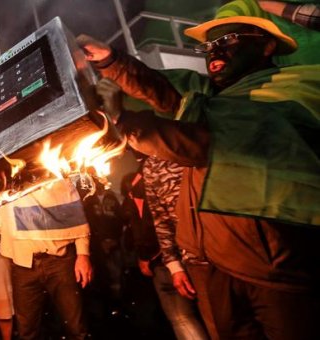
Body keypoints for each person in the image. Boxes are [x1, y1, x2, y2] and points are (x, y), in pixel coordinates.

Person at [77, 0, 320, 338]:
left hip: (277, 267)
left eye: (230, 39)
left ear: (266, 46)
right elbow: (162, 89)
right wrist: (109, 60)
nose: (214, 50)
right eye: (209, 44)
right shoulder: (212, 96)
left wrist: (123, 120)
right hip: (215, 262)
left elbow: (208, 140)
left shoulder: (293, 88)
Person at [0, 178, 92, 340]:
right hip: (23, 265)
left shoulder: (54, 176)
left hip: (59, 261)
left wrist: (83, 255)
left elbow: (77, 219)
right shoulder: (6, 185)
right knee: (27, 330)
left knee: (76, 326)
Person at [121, 159, 209, 340]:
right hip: (177, 257)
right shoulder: (152, 170)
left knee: (184, 318)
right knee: (203, 316)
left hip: (171, 258)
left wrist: (147, 255)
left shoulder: (149, 174)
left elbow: (151, 222)